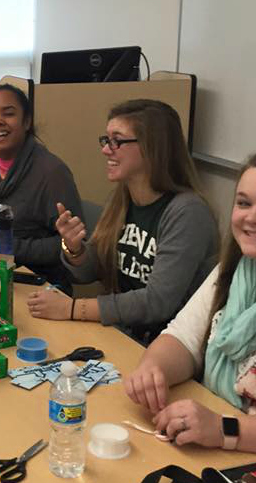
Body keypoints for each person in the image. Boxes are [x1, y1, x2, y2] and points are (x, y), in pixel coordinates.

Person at [126, 148, 256, 459]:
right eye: (243, 203)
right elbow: (183, 338)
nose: (252, 217)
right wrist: (153, 369)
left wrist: (225, 430)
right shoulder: (234, 269)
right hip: (231, 455)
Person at [27, 99, 218, 344]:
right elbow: (92, 271)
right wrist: (74, 248)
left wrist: (73, 309)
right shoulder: (122, 200)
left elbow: (157, 302)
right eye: (106, 140)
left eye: (117, 140)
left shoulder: (188, 213)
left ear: (152, 147)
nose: (106, 149)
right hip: (122, 334)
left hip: (164, 346)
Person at [0, 83, 83, 291]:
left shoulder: (51, 172)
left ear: (27, 121)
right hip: (0, 272)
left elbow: (68, 244)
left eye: (8, 114)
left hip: (41, 283)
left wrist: (6, 244)